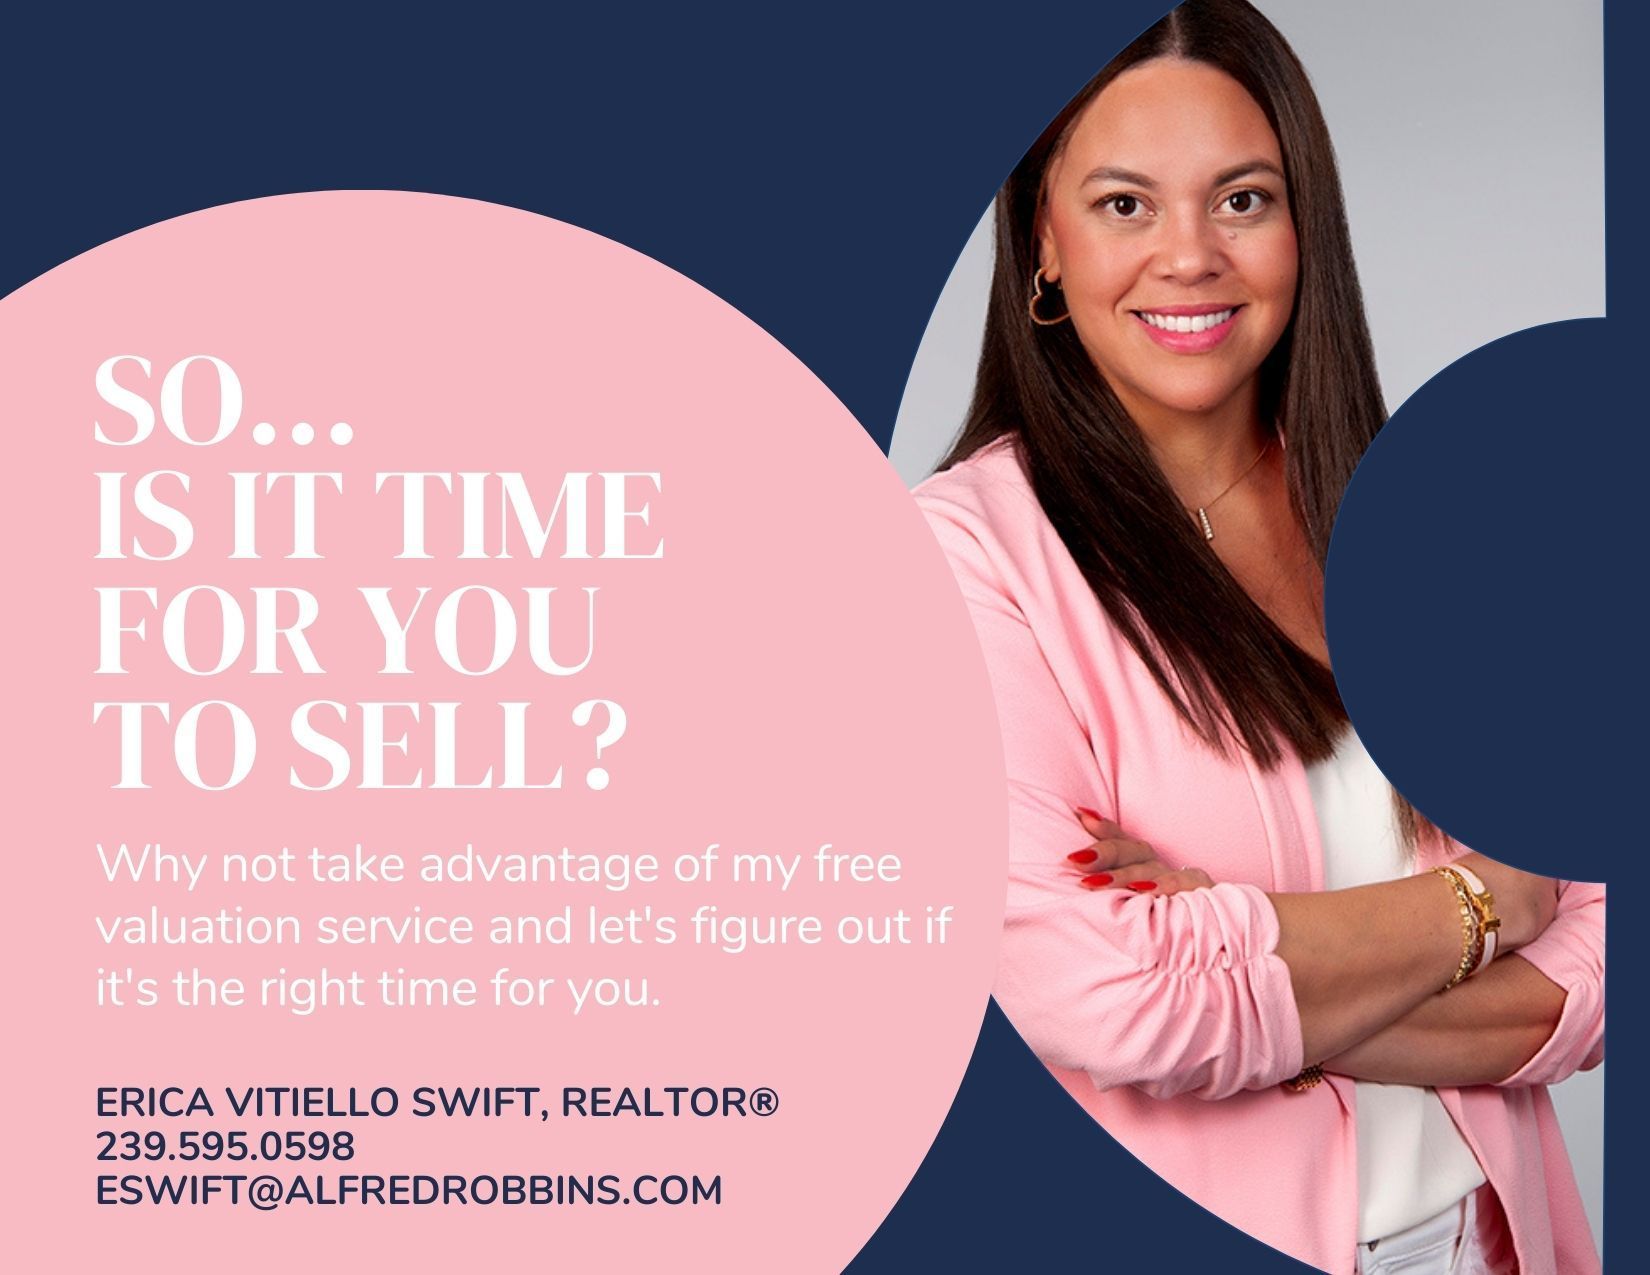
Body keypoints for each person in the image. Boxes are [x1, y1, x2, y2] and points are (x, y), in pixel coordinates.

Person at [910, 2, 1604, 1272]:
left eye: (1241, 199)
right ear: (1043, 248)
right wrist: (1482, 901)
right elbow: (1117, 1003)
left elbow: (1613, 954)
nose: (1191, 256)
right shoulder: (960, 563)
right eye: (1125, 204)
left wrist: (1245, 943)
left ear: (1304, 229)